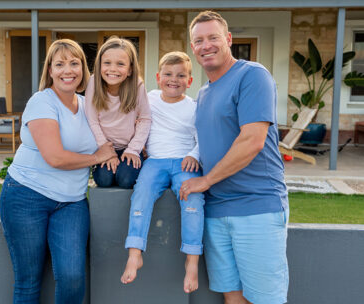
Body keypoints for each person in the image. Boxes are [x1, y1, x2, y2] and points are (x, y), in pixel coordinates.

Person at [180, 11, 289, 304]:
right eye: (198, 40)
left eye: (213, 37)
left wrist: (207, 180)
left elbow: (252, 141)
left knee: (265, 300)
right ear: (193, 48)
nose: (206, 45)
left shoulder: (252, 76)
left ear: (228, 39)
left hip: (257, 207)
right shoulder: (203, 92)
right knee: (233, 298)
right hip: (216, 211)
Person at [0, 39, 116, 304]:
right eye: (60, 64)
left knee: (73, 276)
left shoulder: (89, 105)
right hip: (26, 196)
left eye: (75, 63)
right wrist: (96, 157)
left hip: (71, 202)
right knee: (29, 281)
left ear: (83, 69)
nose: (68, 70)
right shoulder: (42, 102)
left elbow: (116, 133)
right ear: (50, 71)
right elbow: (55, 157)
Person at [120, 51, 205, 294]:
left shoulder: (194, 108)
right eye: (168, 74)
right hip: (154, 162)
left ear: (189, 81)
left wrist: (194, 155)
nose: (173, 79)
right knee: (141, 195)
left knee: (193, 199)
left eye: (181, 75)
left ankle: (192, 260)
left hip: (184, 162)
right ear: (158, 77)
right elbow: (136, 122)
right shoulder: (149, 99)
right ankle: (135, 253)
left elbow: (202, 139)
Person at [84, 37, 151, 189]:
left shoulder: (137, 85)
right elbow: (92, 120)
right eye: (107, 63)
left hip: (129, 145)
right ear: (99, 65)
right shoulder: (93, 83)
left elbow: (145, 119)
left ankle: (138, 164)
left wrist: (134, 149)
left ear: (130, 69)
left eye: (120, 64)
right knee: (104, 180)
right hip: (104, 146)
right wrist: (106, 151)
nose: (112, 69)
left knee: (126, 180)